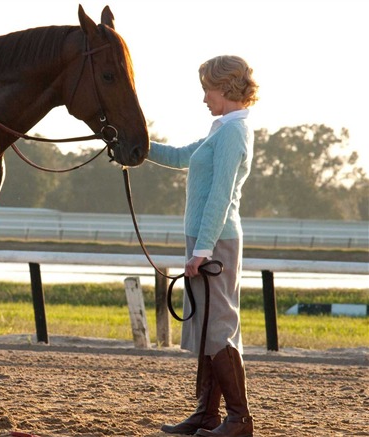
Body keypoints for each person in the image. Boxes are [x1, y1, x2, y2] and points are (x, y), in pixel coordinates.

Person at [149, 55, 259, 437]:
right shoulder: (221, 129)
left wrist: (203, 249)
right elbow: (181, 157)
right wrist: (135, 146)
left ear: (224, 87)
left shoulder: (232, 132)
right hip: (205, 239)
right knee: (207, 326)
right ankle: (206, 415)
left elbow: (221, 195)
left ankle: (239, 419)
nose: (204, 99)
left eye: (206, 90)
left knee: (218, 326)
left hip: (215, 240)